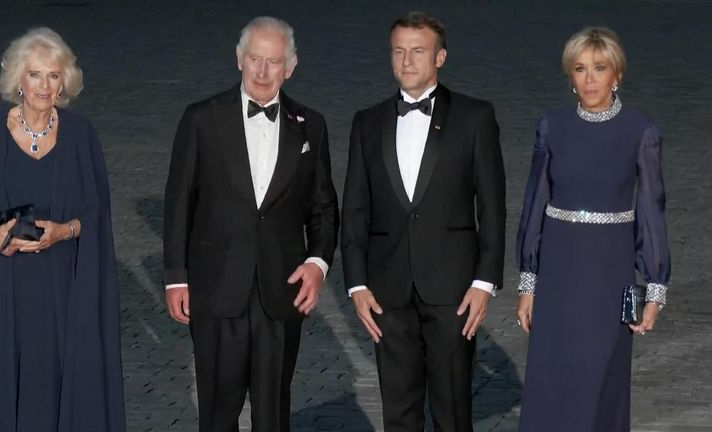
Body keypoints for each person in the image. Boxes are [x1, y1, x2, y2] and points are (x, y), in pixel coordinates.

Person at [163, 16, 339, 431]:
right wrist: (175, 278)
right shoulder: (201, 119)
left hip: (281, 293)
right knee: (217, 412)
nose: (262, 71)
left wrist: (318, 263)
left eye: (273, 62)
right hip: (216, 289)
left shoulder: (310, 125)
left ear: (290, 67)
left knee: (273, 413)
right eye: (255, 59)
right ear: (239, 59)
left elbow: (323, 207)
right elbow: (178, 203)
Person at [0, 27, 125, 431]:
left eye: (54, 75)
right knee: (1, 387)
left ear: (65, 82)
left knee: (53, 386)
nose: (44, 85)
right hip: (0, 289)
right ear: (17, 80)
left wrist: (64, 231)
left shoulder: (81, 136)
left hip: (59, 291)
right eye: (35, 74)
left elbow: (96, 215)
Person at [341, 12, 506, 431]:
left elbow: (492, 205)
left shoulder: (475, 117)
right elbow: (355, 208)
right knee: (398, 410)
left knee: (452, 412)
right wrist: (357, 283)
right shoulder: (368, 121)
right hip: (386, 290)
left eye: (418, 51)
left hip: (454, 289)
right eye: (399, 51)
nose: (407, 61)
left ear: (440, 57)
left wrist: (484, 281)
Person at [515, 27, 670, 432]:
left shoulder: (641, 130)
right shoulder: (552, 126)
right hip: (558, 271)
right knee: (552, 379)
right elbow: (534, 206)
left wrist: (654, 287)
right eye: (580, 69)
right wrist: (528, 283)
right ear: (570, 75)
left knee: (600, 381)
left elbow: (652, 210)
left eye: (599, 69)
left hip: (608, 270)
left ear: (616, 74)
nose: (589, 79)